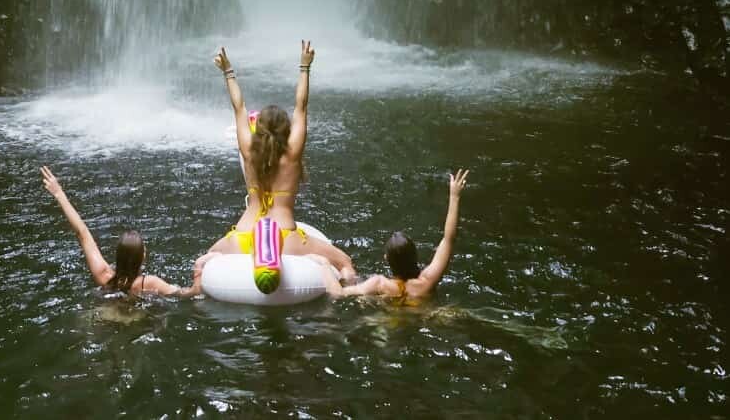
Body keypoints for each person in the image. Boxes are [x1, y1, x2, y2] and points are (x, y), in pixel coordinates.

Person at [196, 41, 356, 282]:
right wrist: (305, 66)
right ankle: (352, 297)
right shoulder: (292, 155)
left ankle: (194, 290)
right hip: (284, 237)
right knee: (345, 262)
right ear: (286, 129)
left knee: (206, 261)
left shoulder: (249, 151)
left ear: (257, 129)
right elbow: (301, 106)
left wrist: (228, 71)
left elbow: (239, 108)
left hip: (243, 234)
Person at [40, 165, 199, 298]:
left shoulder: (104, 276)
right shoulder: (150, 283)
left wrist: (59, 193)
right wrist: (198, 280)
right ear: (143, 256)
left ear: (118, 255)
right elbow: (185, 294)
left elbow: (82, 232)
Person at [315, 168, 469, 302]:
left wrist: (324, 264)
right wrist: (454, 197)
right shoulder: (427, 281)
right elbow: (449, 239)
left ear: (386, 259)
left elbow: (338, 294)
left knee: (360, 293)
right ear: (414, 255)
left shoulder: (380, 284)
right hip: (421, 314)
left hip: (391, 323)